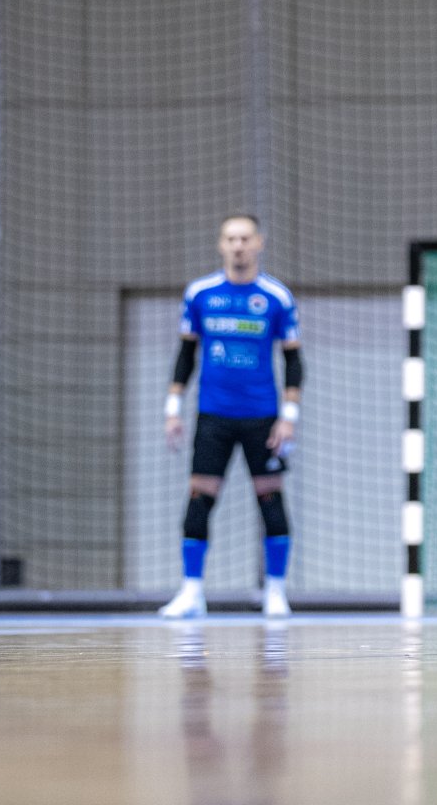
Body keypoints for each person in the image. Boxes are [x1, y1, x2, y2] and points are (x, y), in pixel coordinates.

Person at [158, 214, 304, 619]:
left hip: (262, 417)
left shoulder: (276, 297)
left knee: (270, 497)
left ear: (259, 243)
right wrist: (173, 408)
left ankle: (276, 592)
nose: (238, 245)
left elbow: (293, 361)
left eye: (245, 238)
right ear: (221, 245)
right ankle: (192, 592)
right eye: (230, 239)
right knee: (199, 497)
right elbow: (186, 355)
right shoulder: (201, 294)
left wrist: (288, 416)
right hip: (214, 416)